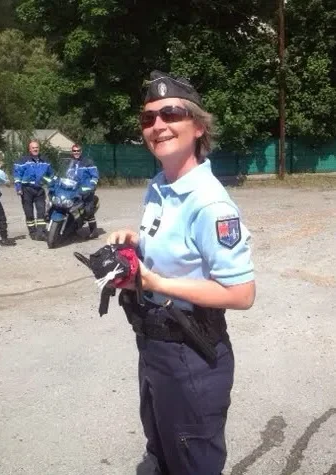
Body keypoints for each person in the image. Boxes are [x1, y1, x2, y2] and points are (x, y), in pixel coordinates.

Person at [106, 70, 256, 475]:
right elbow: (177, 248)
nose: (158, 125)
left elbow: (242, 293)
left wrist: (158, 284)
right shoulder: (160, 185)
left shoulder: (210, 203)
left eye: (170, 114)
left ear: (198, 126)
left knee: (192, 463)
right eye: (148, 118)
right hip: (153, 345)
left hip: (191, 352)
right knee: (160, 455)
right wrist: (134, 242)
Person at [13, 140, 55, 241]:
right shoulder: (22, 161)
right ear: (29, 149)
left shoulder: (45, 161)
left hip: (39, 189)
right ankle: (32, 232)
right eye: (33, 148)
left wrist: (52, 186)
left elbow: (51, 175)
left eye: (37, 148)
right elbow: (17, 175)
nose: (35, 149)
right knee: (29, 213)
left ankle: (41, 233)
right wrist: (18, 188)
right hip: (26, 189)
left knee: (41, 212)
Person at [66, 143, 100, 238]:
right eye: (74, 151)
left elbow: (95, 175)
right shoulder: (71, 163)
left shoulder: (88, 162)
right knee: (70, 208)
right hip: (74, 190)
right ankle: (71, 230)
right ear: (72, 152)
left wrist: (91, 185)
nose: (76, 152)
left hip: (86, 190)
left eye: (78, 151)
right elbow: (67, 175)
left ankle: (94, 231)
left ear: (81, 151)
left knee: (88, 210)